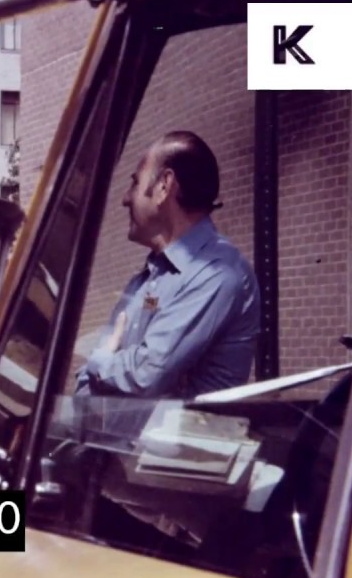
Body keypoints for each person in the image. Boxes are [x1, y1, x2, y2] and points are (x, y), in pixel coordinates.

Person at [75, 130, 260, 399]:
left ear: (164, 186)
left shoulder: (216, 274)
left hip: (179, 429)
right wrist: (102, 366)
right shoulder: (150, 277)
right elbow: (92, 377)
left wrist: (100, 362)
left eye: (135, 184)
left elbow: (145, 375)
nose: (125, 199)